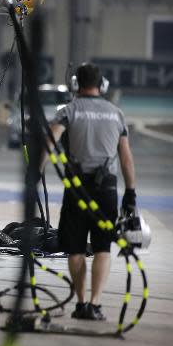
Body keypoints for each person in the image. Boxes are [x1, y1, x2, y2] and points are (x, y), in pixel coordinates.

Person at [46, 63, 136, 321]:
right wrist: (131, 193)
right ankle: (95, 305)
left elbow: (51, 141)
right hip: (106, 187)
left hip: (77, 189)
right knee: (102, 247)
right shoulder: (116, 114)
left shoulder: (69, 111)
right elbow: (126, 158)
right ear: (103, 85)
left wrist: (36, 171)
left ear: (76, 85)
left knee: (74, 248)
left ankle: (81, 302)